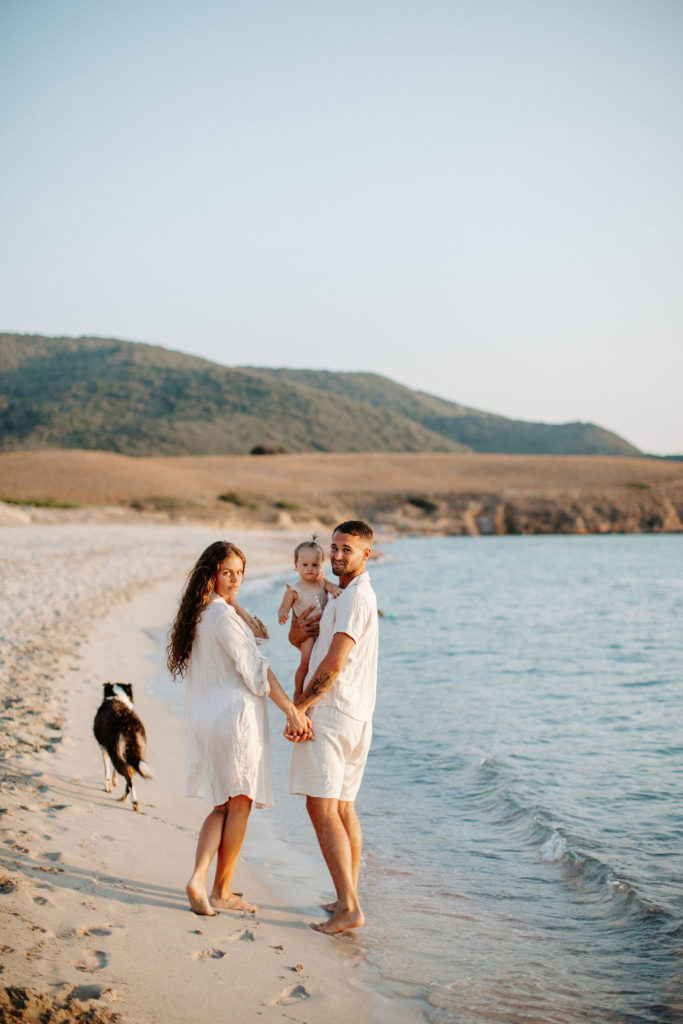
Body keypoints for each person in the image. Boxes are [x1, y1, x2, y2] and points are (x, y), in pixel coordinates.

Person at [167, 540, 312, 917]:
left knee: (222, 805)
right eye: (226, 573)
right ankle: (222, 890)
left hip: (209, 719)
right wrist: (292, 712)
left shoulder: (204, 613)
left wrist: (235, 603)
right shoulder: (221, 617)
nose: (234, 579)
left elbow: (258, 633)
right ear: (210, 574)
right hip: (234, 722)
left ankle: (198, 879)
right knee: (240, 804)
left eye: (240, 573)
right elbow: (257, 668)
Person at [288, 520, 378, 935]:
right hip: (355, 715)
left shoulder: (356, 598)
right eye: (335, 548)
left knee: (321, 807)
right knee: (342, 807)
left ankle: (349, 908)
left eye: (348, 549)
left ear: (366, 554)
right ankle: (347, 899)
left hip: (332, 713)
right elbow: (314, 643)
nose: (339, 555)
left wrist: (299, 708)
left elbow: (334, 662)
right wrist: (296, 636)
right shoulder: (347, 596)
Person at [277, 537, 341, 700]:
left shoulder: (322, 582)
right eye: (305, 565)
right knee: (306, 662)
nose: (310, 569)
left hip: (324, 631)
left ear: (322, 565)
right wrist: (283, 614)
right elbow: (284, 607)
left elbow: (333, 587)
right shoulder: (293, 590)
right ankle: (298, 691)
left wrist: (336, 590)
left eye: (315, 565)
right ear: (296, 565)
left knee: (323, 661)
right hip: (307, 635)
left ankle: (318, 690)